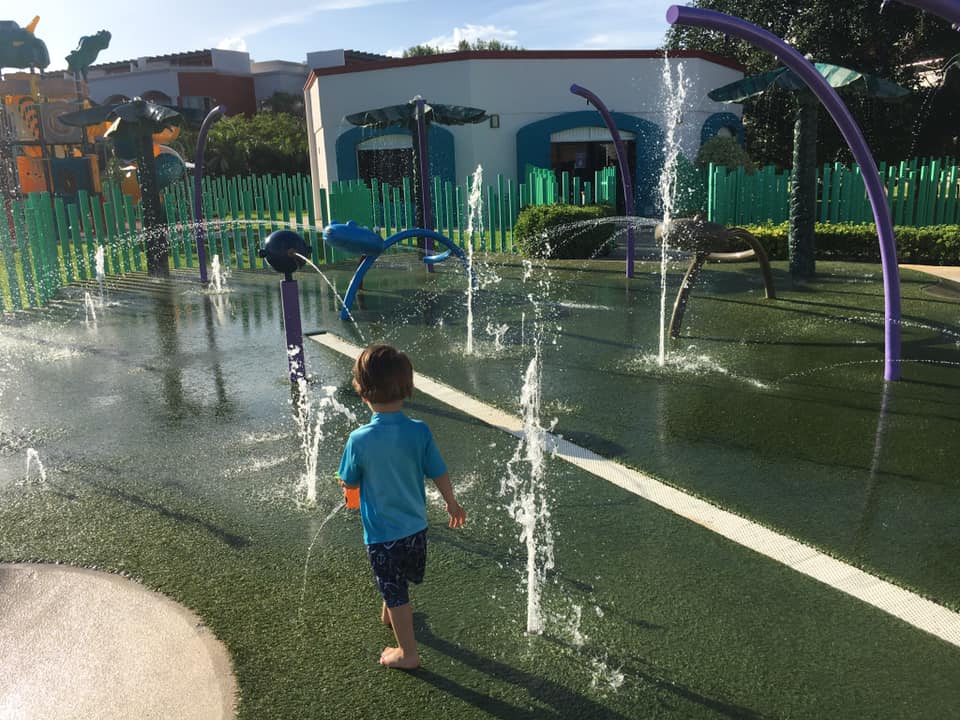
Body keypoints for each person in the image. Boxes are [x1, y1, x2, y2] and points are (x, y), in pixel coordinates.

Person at [338, 343, 467, 670]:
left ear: (363, 393)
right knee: (396, 582)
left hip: (382, 535)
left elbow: (350, 483)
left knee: (397, 594)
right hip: (416, 530)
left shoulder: (359, 439)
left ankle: (407, 653)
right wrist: (451, 502)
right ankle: (391, 613)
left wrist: (348, 490)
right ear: (407, 388)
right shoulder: (419, 431)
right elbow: (438, 470)